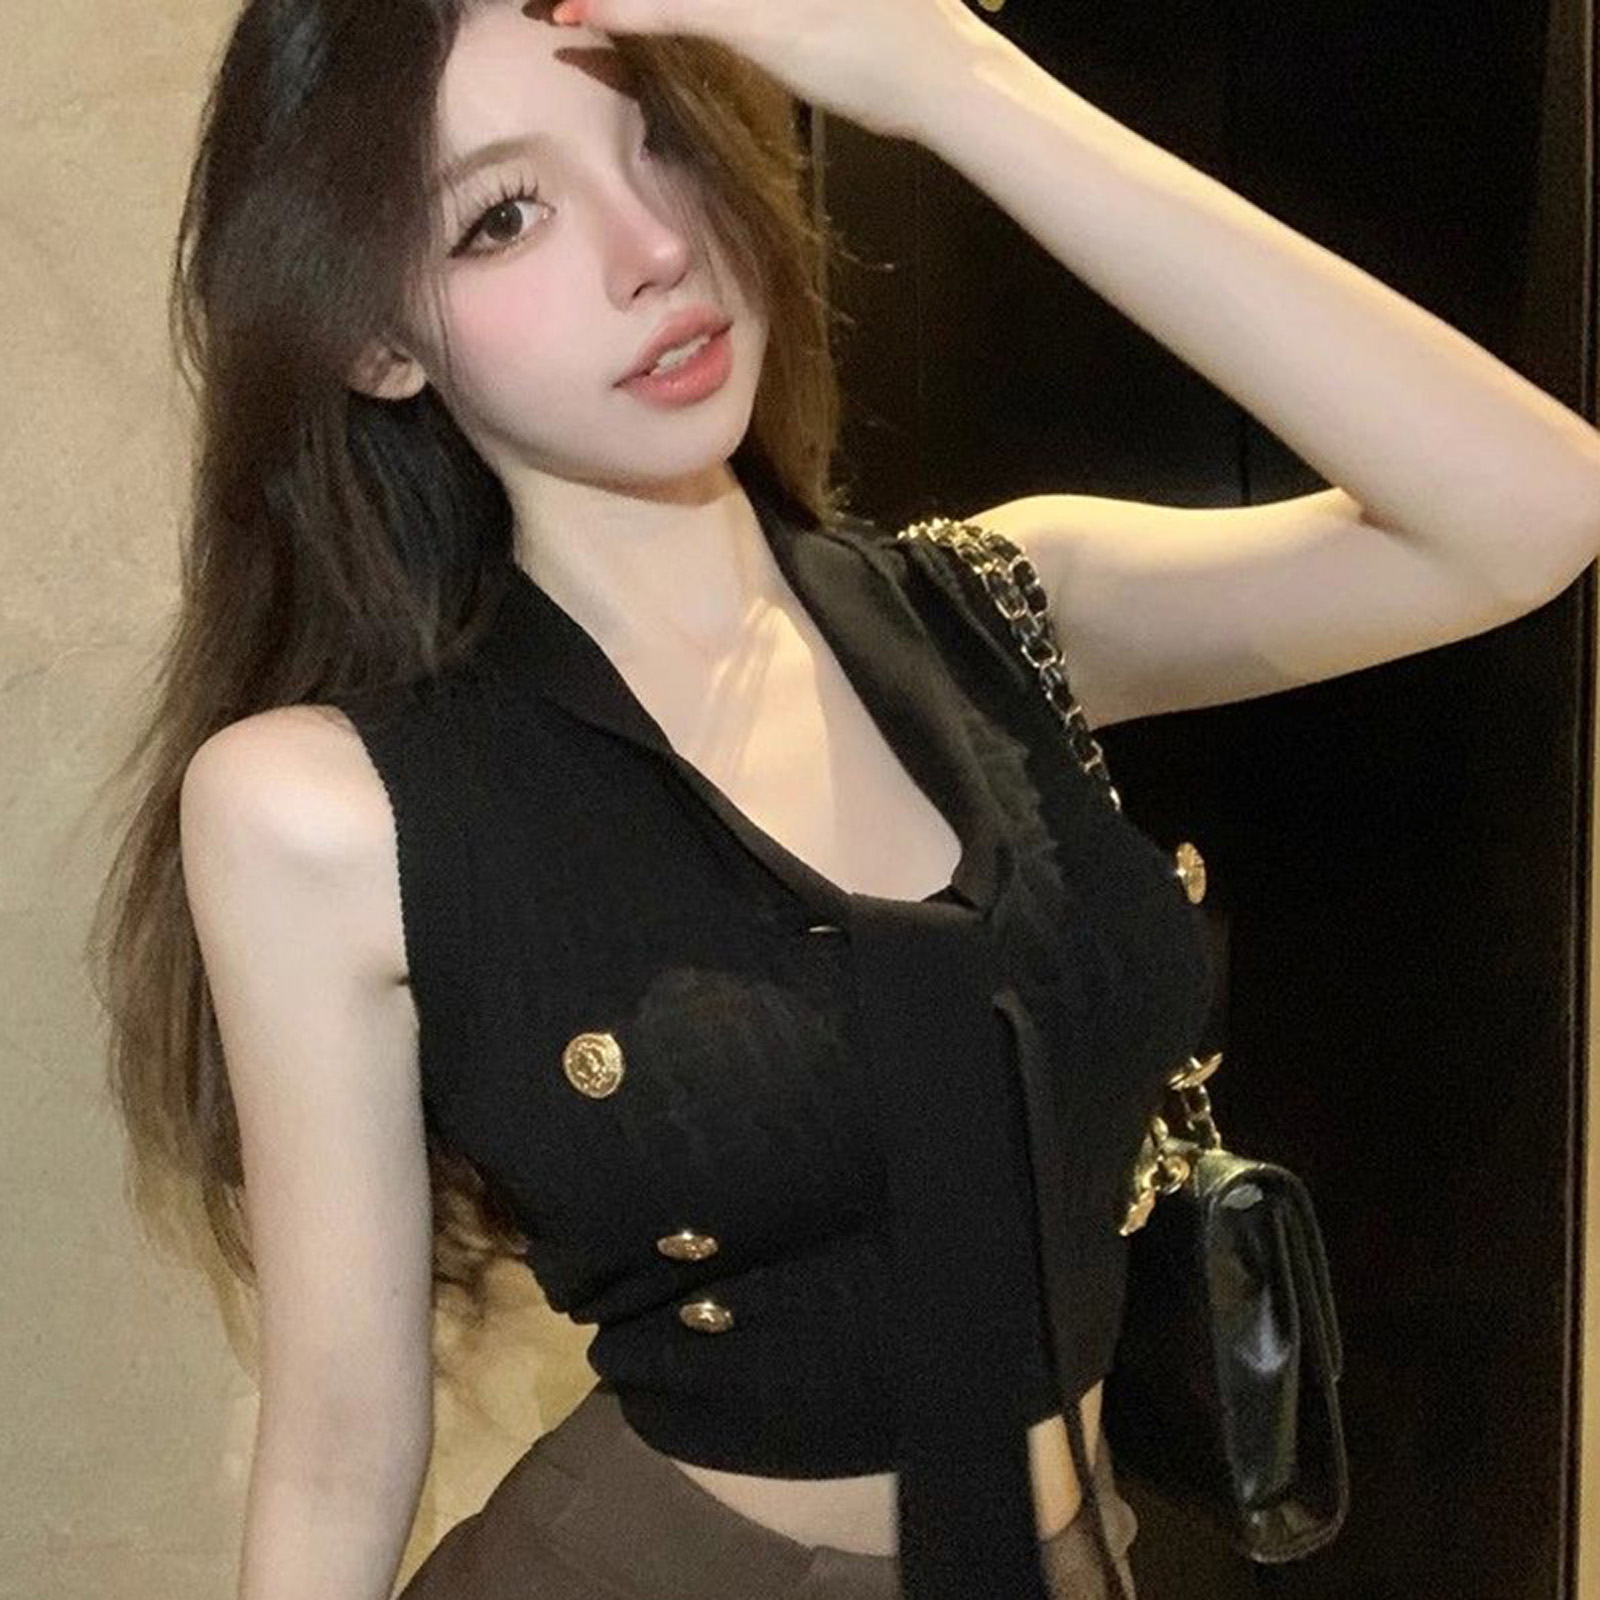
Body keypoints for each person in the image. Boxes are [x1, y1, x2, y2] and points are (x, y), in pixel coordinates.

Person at [88, 2, 1600, 1599]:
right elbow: (339, 1447)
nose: (655, 247)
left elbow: (1533, 508)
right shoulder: (328, 804)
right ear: (375, 338)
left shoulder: (1003, 613)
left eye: (663, 144)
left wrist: (959, 84)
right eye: (504, 216)